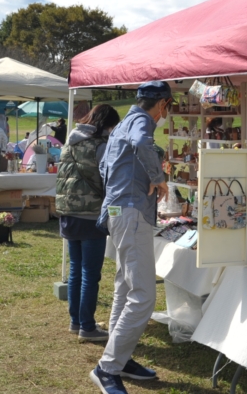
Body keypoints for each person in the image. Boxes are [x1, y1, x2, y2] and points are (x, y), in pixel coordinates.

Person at [89, 82, 171, 394]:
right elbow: (140, 142)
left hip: (119, 211)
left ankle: (118, 359)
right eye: (168, 107)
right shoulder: (140, 122)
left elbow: (105, 165)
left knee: (125, 288)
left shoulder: (122, 123)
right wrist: (157, 178)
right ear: (161, 104)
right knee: (143, 296)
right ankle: (107, 367)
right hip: (130, 213)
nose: (166, 114)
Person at [57, 105, 121, 343]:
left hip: (68, 213)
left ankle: (76, 321)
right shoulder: (100, 146)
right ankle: (87, 326)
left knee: (76, 270)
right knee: (90, 274)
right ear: (106, 125)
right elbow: (109, 179)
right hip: (90, 214)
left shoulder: (70, 142)